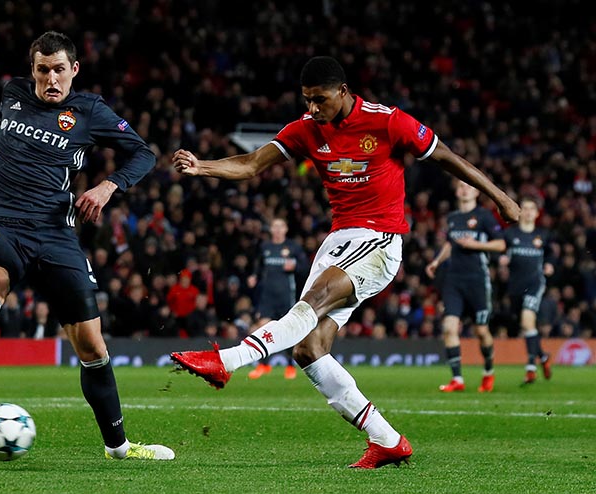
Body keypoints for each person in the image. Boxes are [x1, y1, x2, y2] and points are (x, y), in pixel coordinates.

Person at [170, 56, 519, 469]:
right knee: (308, 348)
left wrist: (500, 197)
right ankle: (387, 440)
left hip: (379, 239)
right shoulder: (305, 129)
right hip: (339, 241)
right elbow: (250, 164)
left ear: (343, 91)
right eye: (307, 100)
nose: (313, 108)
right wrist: (202, 167)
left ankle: (226, 361)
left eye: (320, 100)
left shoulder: (387, 122)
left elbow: (444, 156)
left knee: (314, 300)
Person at [0, 31, 173, 461]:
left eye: (59, 70)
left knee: (92, 346)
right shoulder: (13, 95)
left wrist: (107, 187)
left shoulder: (88, 111)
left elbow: (143, 155)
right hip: (2, 223)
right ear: (32, 71)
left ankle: (118, 448)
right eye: (43, 70)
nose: (51, 79)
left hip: (55, 234)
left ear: (74, 70)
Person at [425, 180, 506, 393]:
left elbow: (500, 244)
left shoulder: (485, 216)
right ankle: (457, 379)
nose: (464, 189)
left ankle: (488, 371)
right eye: (461, 186)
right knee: (449, 328)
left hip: (478, 280)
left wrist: (476, 245)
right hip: (454, 280)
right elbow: (451, 244)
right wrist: (437, 261)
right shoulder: (452, 218)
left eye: (468, 186)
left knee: (481, 331)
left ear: (476, 193)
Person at [500, 196, 554, 384]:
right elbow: (500, 252)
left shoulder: (543, 236)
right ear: (520, 211)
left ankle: (531, 367)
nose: (529, 212)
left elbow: (552, 255)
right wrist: (501, 261)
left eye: (533, 208)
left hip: (535, 283)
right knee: (525, 326)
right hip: (515, 286)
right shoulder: (509, 234)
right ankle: (543, 357)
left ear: (537, 213)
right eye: (526, 208)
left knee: (527, 320)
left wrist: (549, 265)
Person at [247, 218, 308, 380]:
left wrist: (295, 266)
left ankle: (290, 366)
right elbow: (258, 265)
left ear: (286, 229)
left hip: (285, 296)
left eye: (281, 226)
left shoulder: (293, 247)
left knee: (287, 330)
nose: (278, 229)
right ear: (271, 229)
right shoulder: (265, 247)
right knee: (262, 328)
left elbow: (305, 267)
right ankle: (263, 365)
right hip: (267, 296)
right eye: (275, 226)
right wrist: (254, 276)